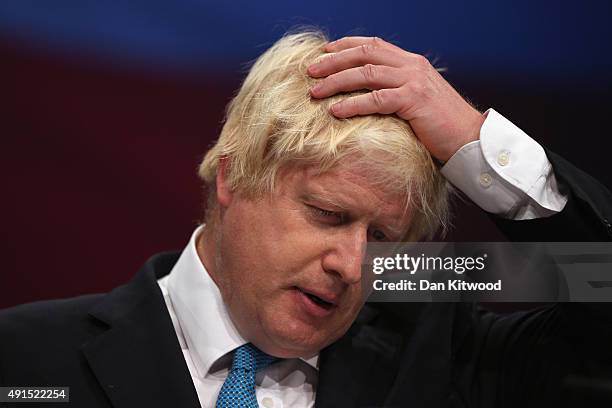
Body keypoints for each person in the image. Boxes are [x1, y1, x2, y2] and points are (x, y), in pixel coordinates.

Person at [1, 30, 611, 408]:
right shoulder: (25, 359)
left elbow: (596, 281)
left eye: (382, 239)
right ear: (233, 177)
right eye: (327, 214)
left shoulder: (445, 352)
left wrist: (477, 144)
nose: (352, 265)